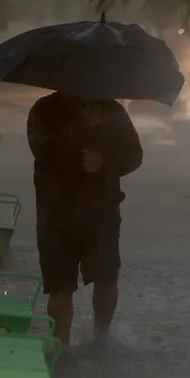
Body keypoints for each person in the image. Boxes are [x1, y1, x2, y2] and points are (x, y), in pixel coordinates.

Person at [27, 92, 143, 348]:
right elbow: (43, 151)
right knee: (60, 287)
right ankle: (61, 347)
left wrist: (104, 160)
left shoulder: (112, 111)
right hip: (56, 215)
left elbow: (134, 155)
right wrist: (84, 132)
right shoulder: (44, 110)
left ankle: (102, 338)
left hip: (102, 212)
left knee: (106, 278)